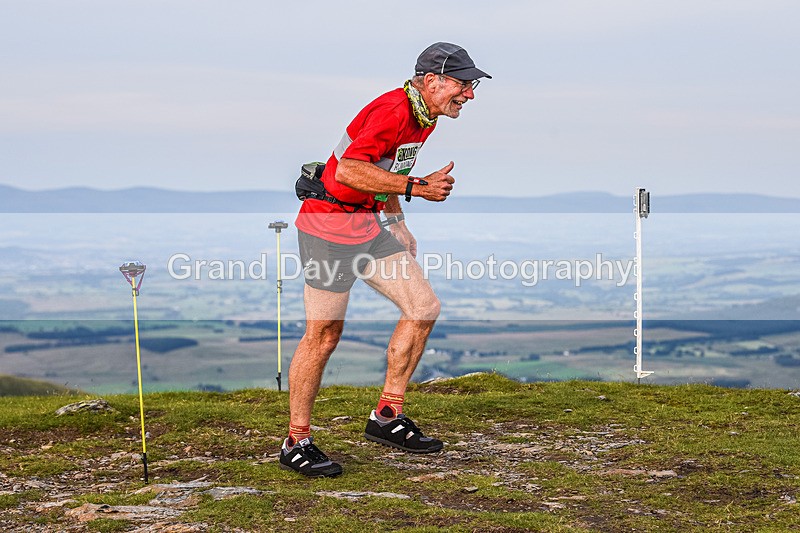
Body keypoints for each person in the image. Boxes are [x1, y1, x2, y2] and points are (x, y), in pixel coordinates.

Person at [280, 42, 491, 477]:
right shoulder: (393, 110)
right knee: (324, 335)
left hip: (367, 225)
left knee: (423, 307)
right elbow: (348, 171)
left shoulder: (423, 117)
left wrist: (397, 223)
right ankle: (295, 441)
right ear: (432, 81)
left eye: (470, 86)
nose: (469, 94)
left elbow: (384, 171)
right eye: (464, 84)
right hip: (327, 228)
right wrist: (417, 187)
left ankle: (387, 418)